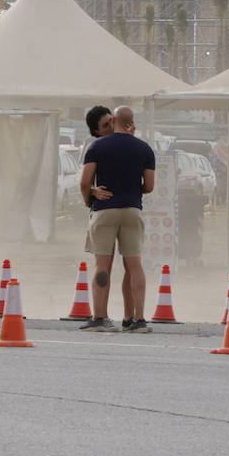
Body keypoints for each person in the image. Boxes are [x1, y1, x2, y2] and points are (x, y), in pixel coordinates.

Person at [79, 105, 155, 332]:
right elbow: (149, 187)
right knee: (134, 264)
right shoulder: (144, 148)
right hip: (132, 209)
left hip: (104, 210)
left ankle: (100, 318)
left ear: (113, 120)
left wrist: (90, 198)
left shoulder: (97, 147)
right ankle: (138, 320)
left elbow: (84, 182)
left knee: (102, 264)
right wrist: (130, 191)